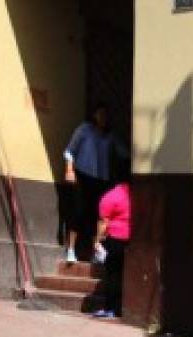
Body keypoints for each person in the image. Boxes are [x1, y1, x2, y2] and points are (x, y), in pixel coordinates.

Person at [63, 102, 125, 263]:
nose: (103, 118)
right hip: (83, 176)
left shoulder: (111, 136)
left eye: (106, 115)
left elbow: (123, 153)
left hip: (102, 180)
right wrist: (69, 170)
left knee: (98, 215)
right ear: (95, 115)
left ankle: (95, 251)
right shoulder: (84, 129)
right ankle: (70, 250)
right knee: (78, 212)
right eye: (100, 114)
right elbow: (70, 151)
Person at [91, 159, 131, 318]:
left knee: (112, 275)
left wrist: (97, 240)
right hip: (131, 240)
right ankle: (119, 308)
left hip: (115, 239)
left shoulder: (110, 197)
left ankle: (111, 308)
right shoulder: (134, 195)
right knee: (123, 274)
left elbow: (103, 222)